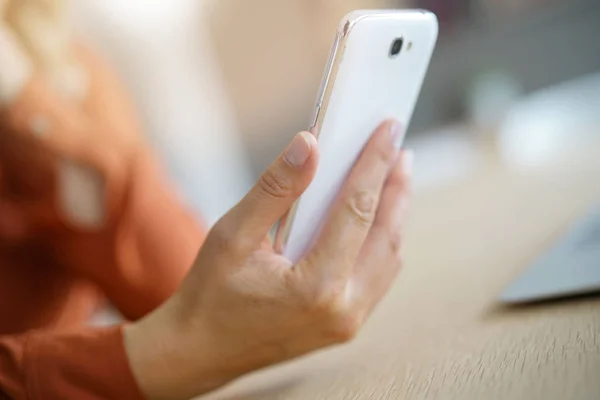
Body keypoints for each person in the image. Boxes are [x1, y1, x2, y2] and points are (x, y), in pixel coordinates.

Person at [0, 6, 413, 400]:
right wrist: (161, 358)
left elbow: (188, 289)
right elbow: (204, 322)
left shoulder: (59, 63)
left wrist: (25, 103)